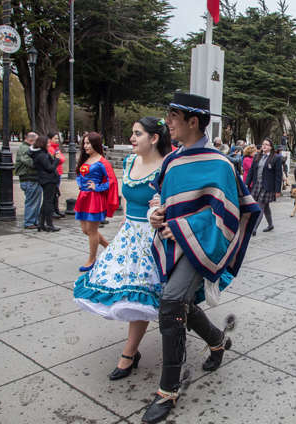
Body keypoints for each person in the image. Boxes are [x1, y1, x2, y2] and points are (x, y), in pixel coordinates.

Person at [143, 92, 260, 423]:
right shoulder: (171, 160)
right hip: (173, 244)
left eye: (173, 117)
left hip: (200, 247)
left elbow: (227, 213)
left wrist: (179, 226)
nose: (168, 123)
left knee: (170, 301)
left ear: (193, 121)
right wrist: (155, 213)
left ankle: (168, 390)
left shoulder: (220, 163)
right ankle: (218, 341)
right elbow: (158, 194)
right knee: (179, 303)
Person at [74, 117, 169, 381]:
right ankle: (131, 352)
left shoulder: (168, 166)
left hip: (156, 238)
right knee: (132, 295)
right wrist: (125, 230)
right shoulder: (129, 162)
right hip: (130, 234)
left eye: (137, 133)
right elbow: (126, 201)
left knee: (142, 296)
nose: (132, 138)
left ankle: (129, 354)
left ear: (154, 138)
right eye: (132, 133)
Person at [74, 132, 119, 271]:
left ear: (95, 144)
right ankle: (110, 248)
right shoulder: (86, 158)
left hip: (95, 199)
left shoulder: (102, 162)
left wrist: (97, 187)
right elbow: (79, 174)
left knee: (91, 231)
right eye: (84, 143)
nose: (85, 146)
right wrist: (80, 184)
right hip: (84, 197)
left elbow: (112, 182)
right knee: (85, 230)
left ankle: (92, 259)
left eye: (88, 143)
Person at [245, 138, 282, 235]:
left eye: (267, 144)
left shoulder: (276, 158)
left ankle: (253, 228)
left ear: (271, 147)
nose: (264, 146)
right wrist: (246, 183)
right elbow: (252, 170)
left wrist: (278, 190)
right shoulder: (257, 156)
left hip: (268, 186)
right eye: (263, 144)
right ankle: (270, 225)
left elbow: (278, 175)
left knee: (260, 205)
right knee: (265, 206)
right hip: (257, 184)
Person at [28, 135, 62, 233]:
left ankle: (41, 224)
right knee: (48, 202)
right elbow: (50, 168)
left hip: (46, 179)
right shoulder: (42, 155)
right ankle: (49, 224)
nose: (49, 144)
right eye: (47, 142)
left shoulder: (40, 154)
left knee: (46, 201)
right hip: (48, 180)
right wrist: (57, 159)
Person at [15, 132, 42, 229]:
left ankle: (33, 221)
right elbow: (30, 162)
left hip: (32, 178)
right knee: (31, 201)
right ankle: (29, 222)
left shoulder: (28, 148)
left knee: (35, 201)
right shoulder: (25, 149)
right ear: (31, 141)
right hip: (29, 178)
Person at [47, 132, 66, 218]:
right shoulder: (50, 148)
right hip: (55, 172)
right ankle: (52, 210)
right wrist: (59, 158)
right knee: (53, 192)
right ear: (50, 139)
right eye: (55, 138)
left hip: (59, 172)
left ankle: (56, 209)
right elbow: (59, 159)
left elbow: (62, 158)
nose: (57, 140)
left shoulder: (56, 148)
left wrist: (59, 158)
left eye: (57, 138)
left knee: (56, 192)